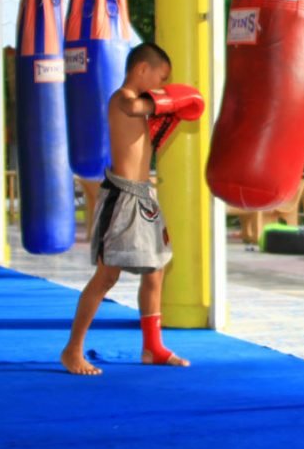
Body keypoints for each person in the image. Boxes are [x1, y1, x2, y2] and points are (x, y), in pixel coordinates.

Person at [61, 42, 204, 376]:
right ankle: (73, 349)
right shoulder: (122, 99)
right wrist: (171, 100)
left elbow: (146, 129)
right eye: (160, 77)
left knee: (156, 269)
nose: (160, 85)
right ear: (142, 69)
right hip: (121, 198)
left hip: (144, 196)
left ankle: (153, 347)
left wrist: (168, 112)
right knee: (107, 275)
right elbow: (137, 107)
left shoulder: (143, 106)